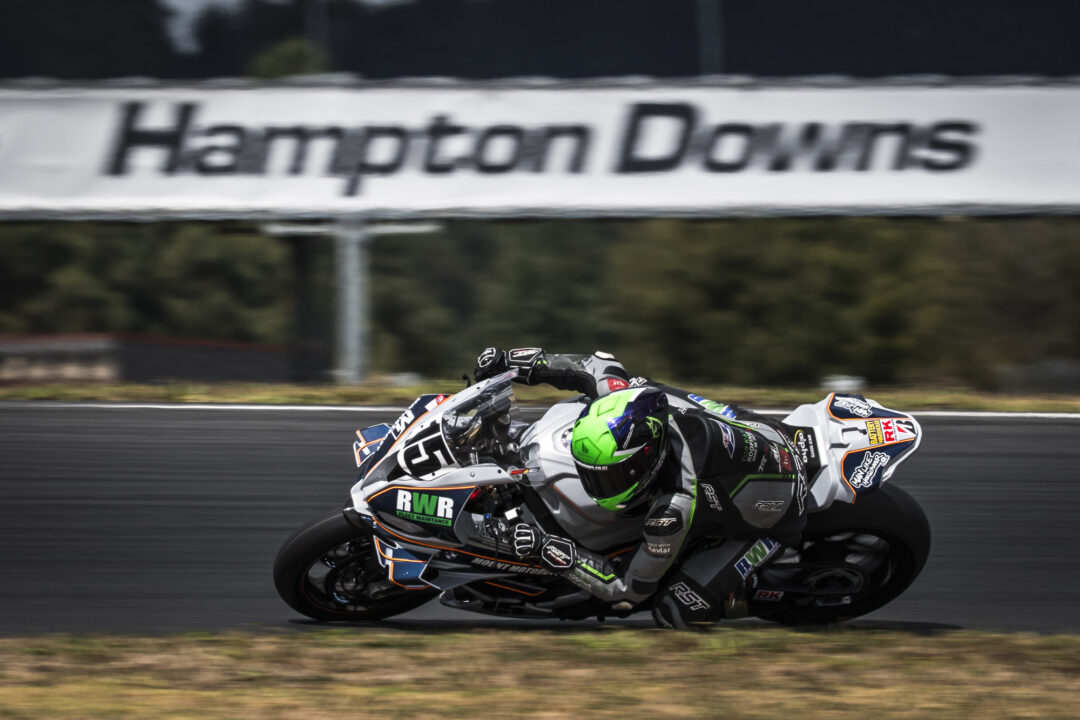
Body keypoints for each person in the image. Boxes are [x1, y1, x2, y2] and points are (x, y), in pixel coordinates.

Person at [474, 346, 808, 628]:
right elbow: (593, 364)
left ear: (647, 461)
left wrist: (551, 549)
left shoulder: (670, 512)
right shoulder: (626, 398)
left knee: (674, 610)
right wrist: (516, 363)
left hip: (777, 514)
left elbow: (627, 588)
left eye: (610, 477)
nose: (597, 485)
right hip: (760, 432)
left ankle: (748, 594)